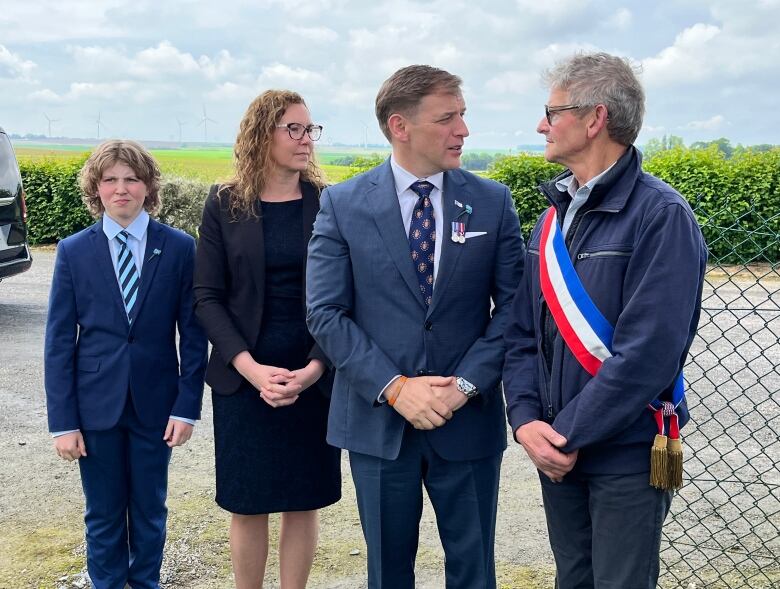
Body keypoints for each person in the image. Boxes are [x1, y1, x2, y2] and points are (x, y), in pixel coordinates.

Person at [306, 65, 525, 588]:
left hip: (466, 421)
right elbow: (325, 312)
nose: (463, 131)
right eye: (447, 118)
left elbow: (516, 308)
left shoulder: (492, 202)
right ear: (399, 126)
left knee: (475, 571)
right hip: (379, 426)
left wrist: (465, 386)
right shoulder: (343, 203)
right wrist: (395, 387)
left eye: (463, 116)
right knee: (387, 572)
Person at [503, 52, 707, 589]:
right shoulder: (551, 220)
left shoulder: (662, 217)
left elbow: (648, 355)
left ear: (595, 119)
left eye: (552, 112)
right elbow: (522, 334)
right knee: (574, 579)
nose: (541, 125)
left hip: (624, 450)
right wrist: (525, 422)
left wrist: (563, 435)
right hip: (556, 445)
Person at [44, 139, 208, 589]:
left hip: (156, 407)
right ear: (96, 188)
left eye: (131, 179)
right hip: (94, 408)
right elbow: (59, 341)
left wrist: (186, 406)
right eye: (110, 179)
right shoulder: (74, 251)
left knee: (150, 511)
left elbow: (193, 336)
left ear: (148, 186)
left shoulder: (178, 248)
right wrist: (63, 422)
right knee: (103, 513)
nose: (121, 189)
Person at [193, 90, 340, 589]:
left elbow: (349, 294)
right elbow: (206, 297)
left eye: (310, 130)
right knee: (248, 502)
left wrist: (316, 367)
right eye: (294, 129)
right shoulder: (223, 203)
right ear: (263, 135)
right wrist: (251, 369)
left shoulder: (328, 202)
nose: (306, 140)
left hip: (311, 376)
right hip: (243, 379)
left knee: (303, 500)